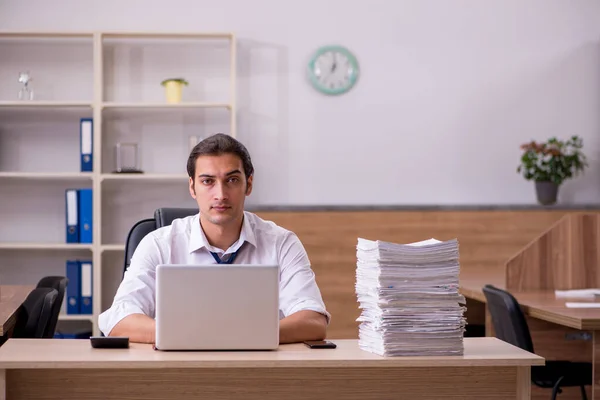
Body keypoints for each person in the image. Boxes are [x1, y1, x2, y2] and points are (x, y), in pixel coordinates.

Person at [98, 133, 330, 344]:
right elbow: (119, 320)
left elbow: (313, 321)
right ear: (192, 187)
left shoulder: (282, 243)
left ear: (248, 184)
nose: (220, 194)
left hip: (259, 373)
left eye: (231, 180)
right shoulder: (158, 244)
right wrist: (197, 335)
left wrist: (229, 336)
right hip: (177, 373)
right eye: (208, 181)